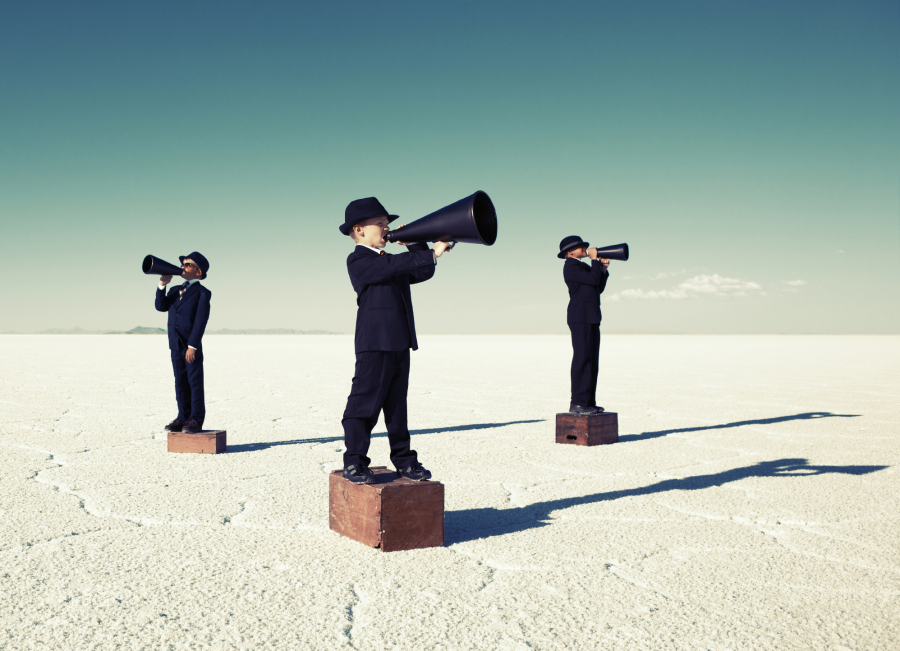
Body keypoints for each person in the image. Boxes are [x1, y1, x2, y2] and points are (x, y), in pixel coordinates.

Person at [339, 197, 453, 484]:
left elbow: (423, 271)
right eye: (380, 224)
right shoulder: (359, 260)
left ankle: (404, 461)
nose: (386, 229)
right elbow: (387, 268)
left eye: (387, 225)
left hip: (400, 341)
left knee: (396, 407)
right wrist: (430, 253)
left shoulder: (390, 261)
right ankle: (354, 462)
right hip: (375, 342)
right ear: (360, 230)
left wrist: (416, 243)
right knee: (363, 405)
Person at [155, 252, 212, 434]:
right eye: (183, 264)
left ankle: (195, 419)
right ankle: (182, 417)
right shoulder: (174, 290)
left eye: (188, 264)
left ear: (198, 271)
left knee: (194, 382)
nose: (183, 267)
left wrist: (193, 345)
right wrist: (162, 285)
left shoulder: (202, 293)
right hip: (174, 344)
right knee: (180, 382)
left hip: (190, 346)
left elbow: (200, 321)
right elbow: (160, 306)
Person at [559, 236, 610, 415]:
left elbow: (597, 286)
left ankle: (588, 402)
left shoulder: (583, 267)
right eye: (580, 247)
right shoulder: (571, 266)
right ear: (569, 252)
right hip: (580, 317)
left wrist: (602, 268)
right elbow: (594, 280)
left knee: (592, 361)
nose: (584, 249)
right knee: (582, 359)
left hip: (591, 317)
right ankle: (578, 403)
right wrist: (595, 261)